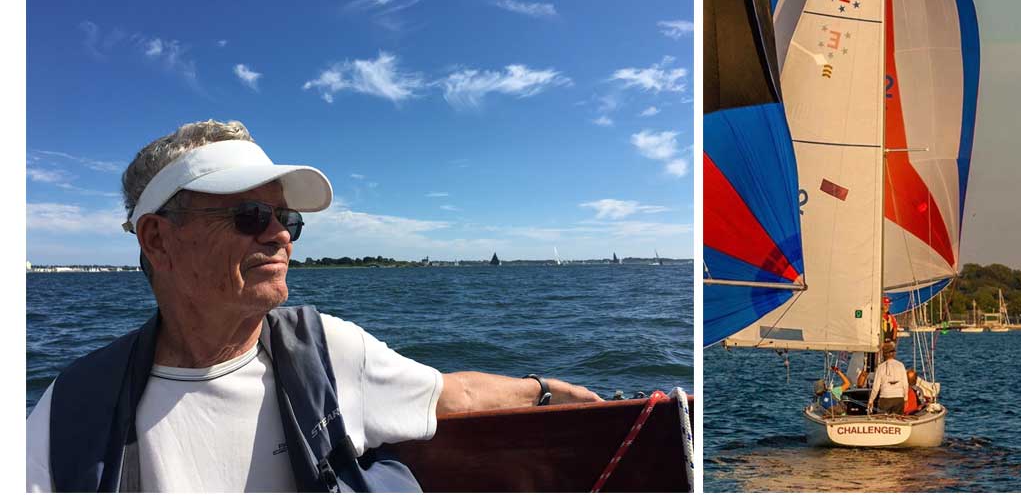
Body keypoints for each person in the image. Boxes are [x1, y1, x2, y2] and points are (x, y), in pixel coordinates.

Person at [25, 120, 602, 493]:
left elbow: (453, 394)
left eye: (287, 219)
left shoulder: (323, 350)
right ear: (157, 238)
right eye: (250, 216)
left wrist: (546, 391)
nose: (280, 236)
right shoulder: (70, 412)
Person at [867, 342, 908, 415]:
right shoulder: (901, 365)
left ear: (884, 354)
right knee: (898, 421)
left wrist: (871, 400)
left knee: (883, 421)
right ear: (894, 354)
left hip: (885, 398)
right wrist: (906, 399)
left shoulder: (880, 367)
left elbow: (876, 387)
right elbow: (905, 384)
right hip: (898, 398)